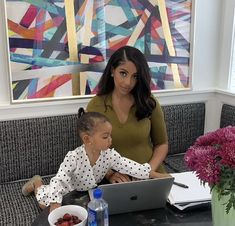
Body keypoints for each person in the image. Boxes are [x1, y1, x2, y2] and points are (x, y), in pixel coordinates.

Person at [22, 108, 169, 213]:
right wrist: (55, 205)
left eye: (110, 135)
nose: (110, 140)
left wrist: (157, 176)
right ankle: (37, 183)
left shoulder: (109, 155)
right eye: (105, 137)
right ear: (88, 139)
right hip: (69, 190)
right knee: (44, 204)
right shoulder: (73, 157)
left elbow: (131, 166)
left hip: (88, 194)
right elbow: (59, 180)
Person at [86, 46, 168, 183]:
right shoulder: (96, 105)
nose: (128, 82)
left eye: (135, 76)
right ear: (112, 70)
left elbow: (162, 143)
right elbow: (91, 148)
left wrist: (148, 171)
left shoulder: (149, 102)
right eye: (123, 73)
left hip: (151, 176)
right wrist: (109, 174)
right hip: (116, 180)